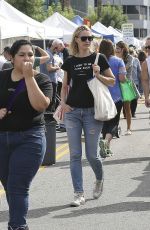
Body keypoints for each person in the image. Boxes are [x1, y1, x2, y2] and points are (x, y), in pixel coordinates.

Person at [0, 39, 53, 230]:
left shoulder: (41, 79)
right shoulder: (2, 77)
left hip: (30, 138)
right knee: (9, 187)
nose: (27, 58)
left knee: (17, 187)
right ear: (12, 58)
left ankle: (17, 226)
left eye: (30, 55)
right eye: (21, 55)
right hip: (2, 139)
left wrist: (29, 78)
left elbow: (40, 105)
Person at [61, 25, 115, 206]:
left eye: (90, 38)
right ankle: (79, 193)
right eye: (84, 38)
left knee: (92, 155)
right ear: (76, 39)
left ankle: (99, 178)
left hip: (93, 112)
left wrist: (98, 74)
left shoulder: (99, 58)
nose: (87, 41)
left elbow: (112, 81)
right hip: (73, 112)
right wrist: (63, 103)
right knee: (75, 154)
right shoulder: (69, 61)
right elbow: (64, 85)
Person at [99, 39, 126, 157]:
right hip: (116, 96)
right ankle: (106, 142)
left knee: (105, 122)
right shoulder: (119, 61)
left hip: (102, 96)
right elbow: (122, 79)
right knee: (114, 122)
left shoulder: (97, 60)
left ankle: (106, 149)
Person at [115, 41, 134, 135]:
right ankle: (115, 128)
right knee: (116, 107)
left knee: (127, 108)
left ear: (123, 49)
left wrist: (119, 58)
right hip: (117, 84)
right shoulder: (116, 57)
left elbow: (124, 68)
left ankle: (129, 128)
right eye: (116, 48)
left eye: (118, 48)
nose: (116, 50)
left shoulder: (129, 57)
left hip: (126, 84)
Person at [129, 48, 141, 118]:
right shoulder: (124, 60)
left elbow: (139, 71)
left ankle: (132, 112)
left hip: (135, 81)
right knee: (128, 98)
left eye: (131, 53)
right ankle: (128, 113)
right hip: (127, 81)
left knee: (134, 98)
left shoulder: (136, 60)